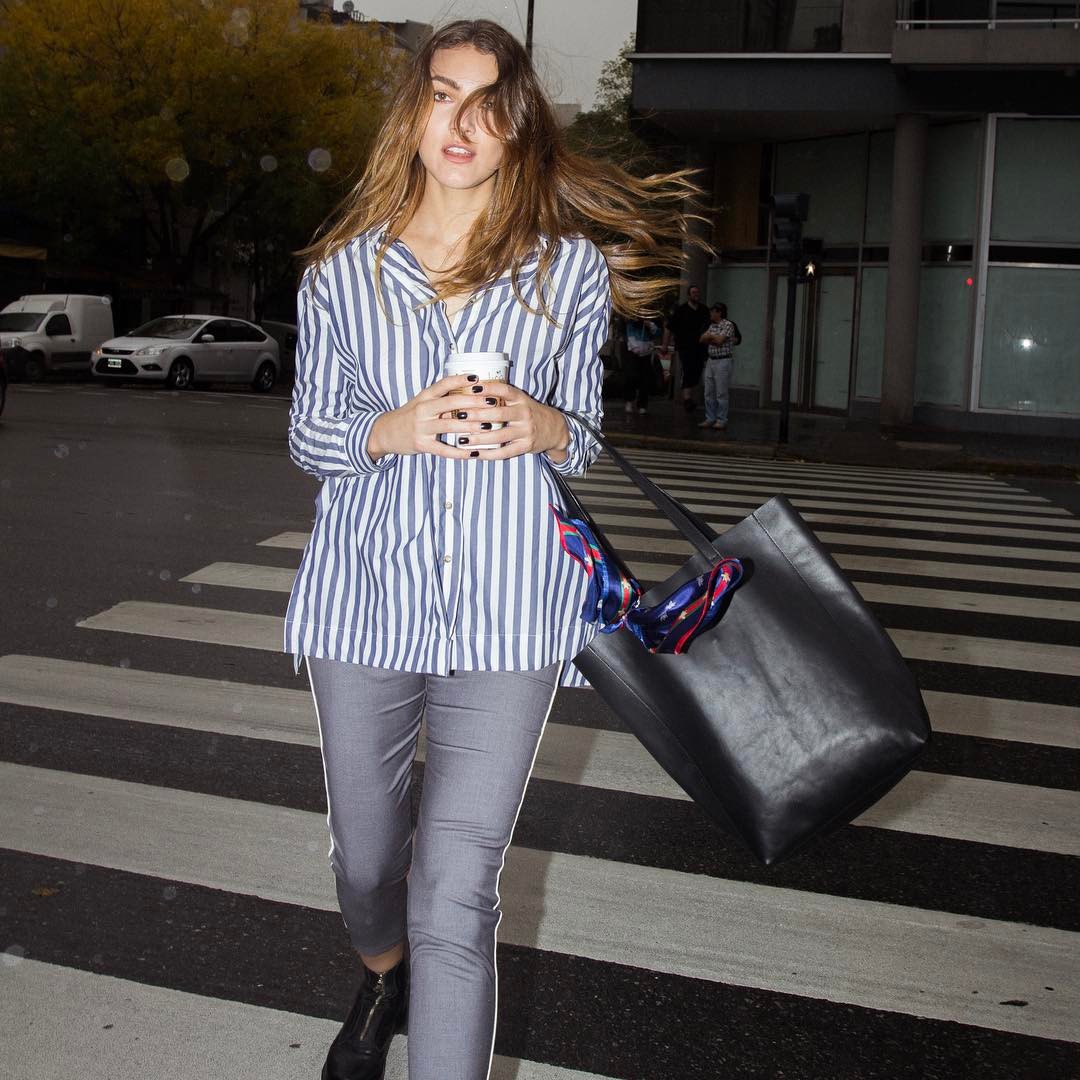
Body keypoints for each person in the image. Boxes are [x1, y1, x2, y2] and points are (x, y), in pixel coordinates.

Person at [283, 20, 699, 1080]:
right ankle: (382, 972)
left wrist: (545, 424)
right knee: (367, 863)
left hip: (510, 613)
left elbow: (586, 436)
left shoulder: (566, 272)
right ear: (413, 114)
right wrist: (393, 428)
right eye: (441, 94)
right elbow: (311, 435)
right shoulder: (341, 275)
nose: (461, 122)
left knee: (460, 893)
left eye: (488, 103)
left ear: (518, 126)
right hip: (364, 603)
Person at [663, 283, 710, 411]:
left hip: (700, 346)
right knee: (687, 368)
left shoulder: (704, 310)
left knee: (697, 369)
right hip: (685, 346)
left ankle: (690, 396)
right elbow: (669, 327)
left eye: (697, 292)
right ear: (688, 295)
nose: (696, 295)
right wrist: (665, 345)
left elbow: (710, 326)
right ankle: (687, 398)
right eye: (693, 292)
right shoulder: (681, 310)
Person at [699, 302, 735, 431]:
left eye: (713, 311)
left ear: (719, 312)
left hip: (723, 361)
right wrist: (713, 338)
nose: (710, 314)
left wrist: (710, 337)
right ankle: (710, 418)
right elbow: (701, 339)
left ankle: (721, 419)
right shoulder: (711, 325)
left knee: (721, 392)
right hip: (711, 360)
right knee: (708, 391)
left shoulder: (728, 325)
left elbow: (720, 341)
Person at [622, 314, 661, 415]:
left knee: (645, 378)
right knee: (631, 376)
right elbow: (628, 332)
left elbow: (658, 332)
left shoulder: (651, 319)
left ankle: (642, 405)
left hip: (646, 352)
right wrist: (634, 347)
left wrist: (650, 325)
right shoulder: (631, 320)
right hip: (632, 351)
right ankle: (629, 400)